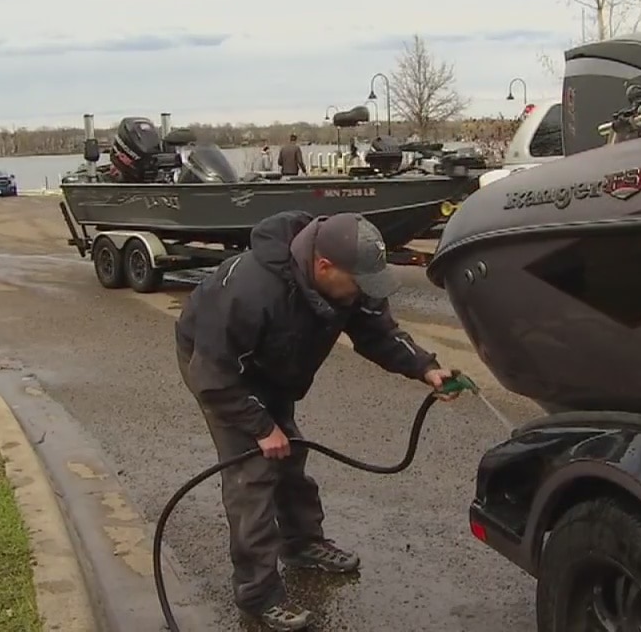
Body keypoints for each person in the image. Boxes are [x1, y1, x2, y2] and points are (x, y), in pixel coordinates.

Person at [175, 211, 455, 631]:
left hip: (274, 368)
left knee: (290, 457)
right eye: (359, 282)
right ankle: (257, 593)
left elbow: (377, 330)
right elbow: (211, 376)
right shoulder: (251, 290)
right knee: (252, 476)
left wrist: (424, 367)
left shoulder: (346, 283)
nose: (364, 292)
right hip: (222, 371)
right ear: (323, 266)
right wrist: (260, 426)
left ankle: (303, 544)